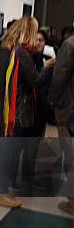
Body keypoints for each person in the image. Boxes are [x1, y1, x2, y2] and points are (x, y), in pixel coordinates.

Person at [0, 17, 54, 207]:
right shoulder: (21, 53)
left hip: (0, 106)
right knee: (7, 152)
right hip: (14, 111)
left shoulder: (1, 49)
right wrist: (46, 67)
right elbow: (36, 80)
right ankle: (1, 191)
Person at [49, 34, 74, 216]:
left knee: (70, 154)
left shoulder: (70, 45)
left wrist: (53, 100)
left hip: (69, 109)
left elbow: (60, 76)